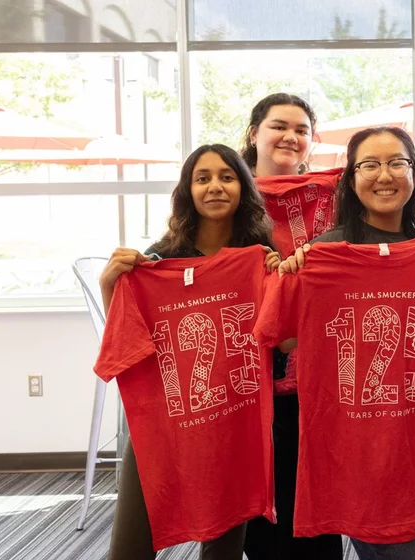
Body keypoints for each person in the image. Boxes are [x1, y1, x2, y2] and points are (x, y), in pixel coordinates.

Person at [280, 126, 415, 560]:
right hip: (352, 445)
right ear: (351, 180)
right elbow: (286, 339)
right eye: (369, 165)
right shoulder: (322, 256)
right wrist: (293, 279)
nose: (384, 175)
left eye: (397, 163)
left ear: (414, 175)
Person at [98, 144, 281, 560]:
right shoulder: (159, 260)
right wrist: (110, 287)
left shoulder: (261, 259)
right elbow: (126, 345)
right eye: (203, 178)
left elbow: (285, 341)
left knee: (223, 549)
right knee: (129, 550)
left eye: (226, 177)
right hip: (164, 424)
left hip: (235, 423)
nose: (215, 187)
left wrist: (282, 283)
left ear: (243, 188)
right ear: (188, 190)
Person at [239, 92, 345, 559]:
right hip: (248, 378)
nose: (291, 136)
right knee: (262, 510)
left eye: (302, 129)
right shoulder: (228, 192)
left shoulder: (335, 200)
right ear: (254, 133)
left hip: (320, 373)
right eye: (279, 125)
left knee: (321, 505)